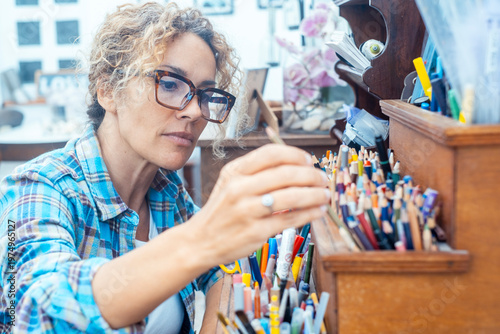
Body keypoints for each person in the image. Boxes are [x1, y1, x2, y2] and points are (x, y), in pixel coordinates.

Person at [0, 2, 330, 333]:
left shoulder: (165, 191)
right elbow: (34, 309)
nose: (195, 112)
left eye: (205, 94)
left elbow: (225, 271)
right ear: (107, 90)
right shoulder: (36, 188)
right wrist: (203, 238)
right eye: (170, 84)